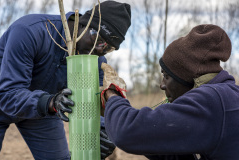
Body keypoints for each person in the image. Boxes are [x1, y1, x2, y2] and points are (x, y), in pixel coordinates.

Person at [0, 1, 131, 159]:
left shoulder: (96, 61)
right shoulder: (30, 31)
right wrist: (51, 102)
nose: (100, 49)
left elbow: (96, 103)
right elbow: (8, 95)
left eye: (108, 47)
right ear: (83, 23)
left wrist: (104, 131)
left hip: (44, 109)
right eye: (98, 38)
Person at [102, 24, 239, 160]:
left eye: (166, 76)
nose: (162, 85)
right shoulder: (226, 97)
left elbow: (126, 132)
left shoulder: (211, 100)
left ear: (186, 78)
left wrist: (112, 96)